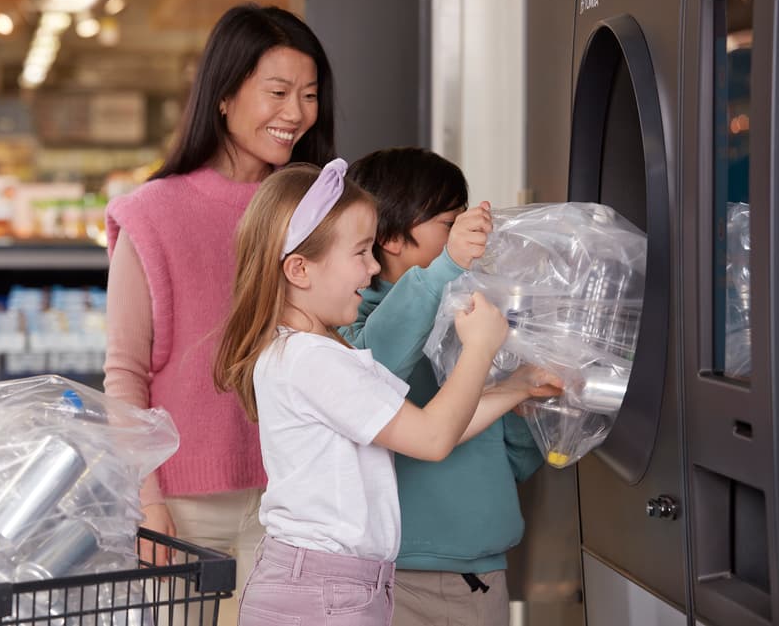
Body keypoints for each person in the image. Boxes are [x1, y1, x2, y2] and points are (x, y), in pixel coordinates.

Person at [213, 159, 562, 624]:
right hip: (325, 592)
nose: (373, 267)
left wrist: (517, 387)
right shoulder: (313, 360)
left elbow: (434, 427)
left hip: (331, 584)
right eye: (360, 253)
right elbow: (434, 439)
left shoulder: (311, 352)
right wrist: (480, 349)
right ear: (299, 269)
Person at [102, 3, 336, 623]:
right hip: (181, 507)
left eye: (309, 96)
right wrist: (147, 503)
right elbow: (125, 373)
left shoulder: (318, 212)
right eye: (278, 92)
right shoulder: (150, 214)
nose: (296, 114)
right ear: (225, 96)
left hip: (293, 498)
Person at [344, 146, 545, 626]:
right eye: (448, 222)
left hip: (482, 575)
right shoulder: (355, 322)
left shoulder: (474, 318)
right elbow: (379, 369)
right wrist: (445, 269)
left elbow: (515, 455)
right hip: (394, 577)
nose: (466, 235)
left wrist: (523, 409)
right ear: (390, 237)